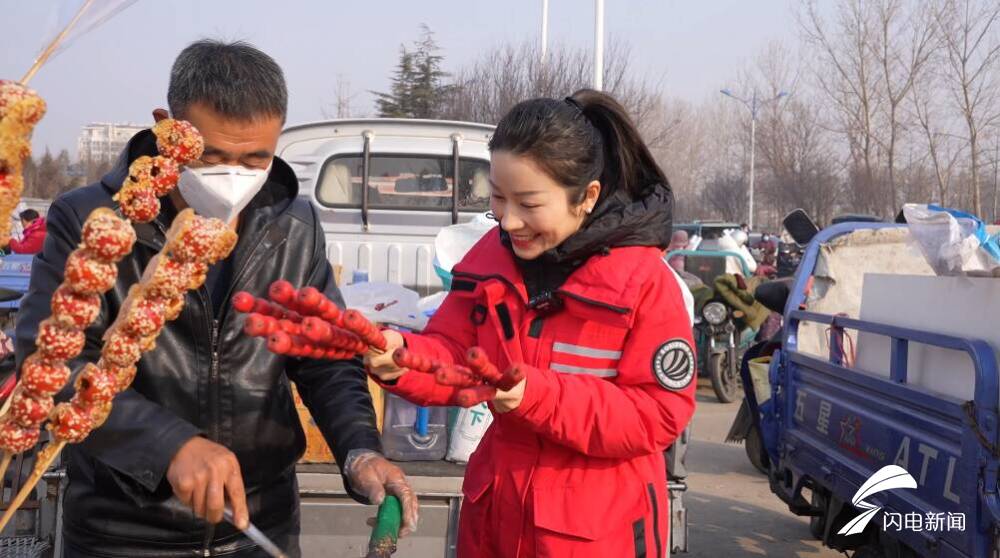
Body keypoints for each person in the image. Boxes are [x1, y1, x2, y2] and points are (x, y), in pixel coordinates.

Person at [15, 40, 416, 557]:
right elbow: (51, 363)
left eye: (256, 159)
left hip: (260, 520)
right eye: (212, 157)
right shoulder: (96, 222)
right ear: (169, 128)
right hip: (125, 530)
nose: (234, 177)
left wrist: (361, 449)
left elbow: (325, 360)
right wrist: (166, 445)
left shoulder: (292, 226)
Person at [368, 90, 696, 557]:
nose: (510, 220)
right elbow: (456, 355)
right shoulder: (488, 261)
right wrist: (398, 354)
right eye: (499, 198)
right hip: (495, 517)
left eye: (529, 203)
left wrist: (533, 395)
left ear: (586, 197)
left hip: (596, 532)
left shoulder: (644, 283)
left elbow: (658, 413)